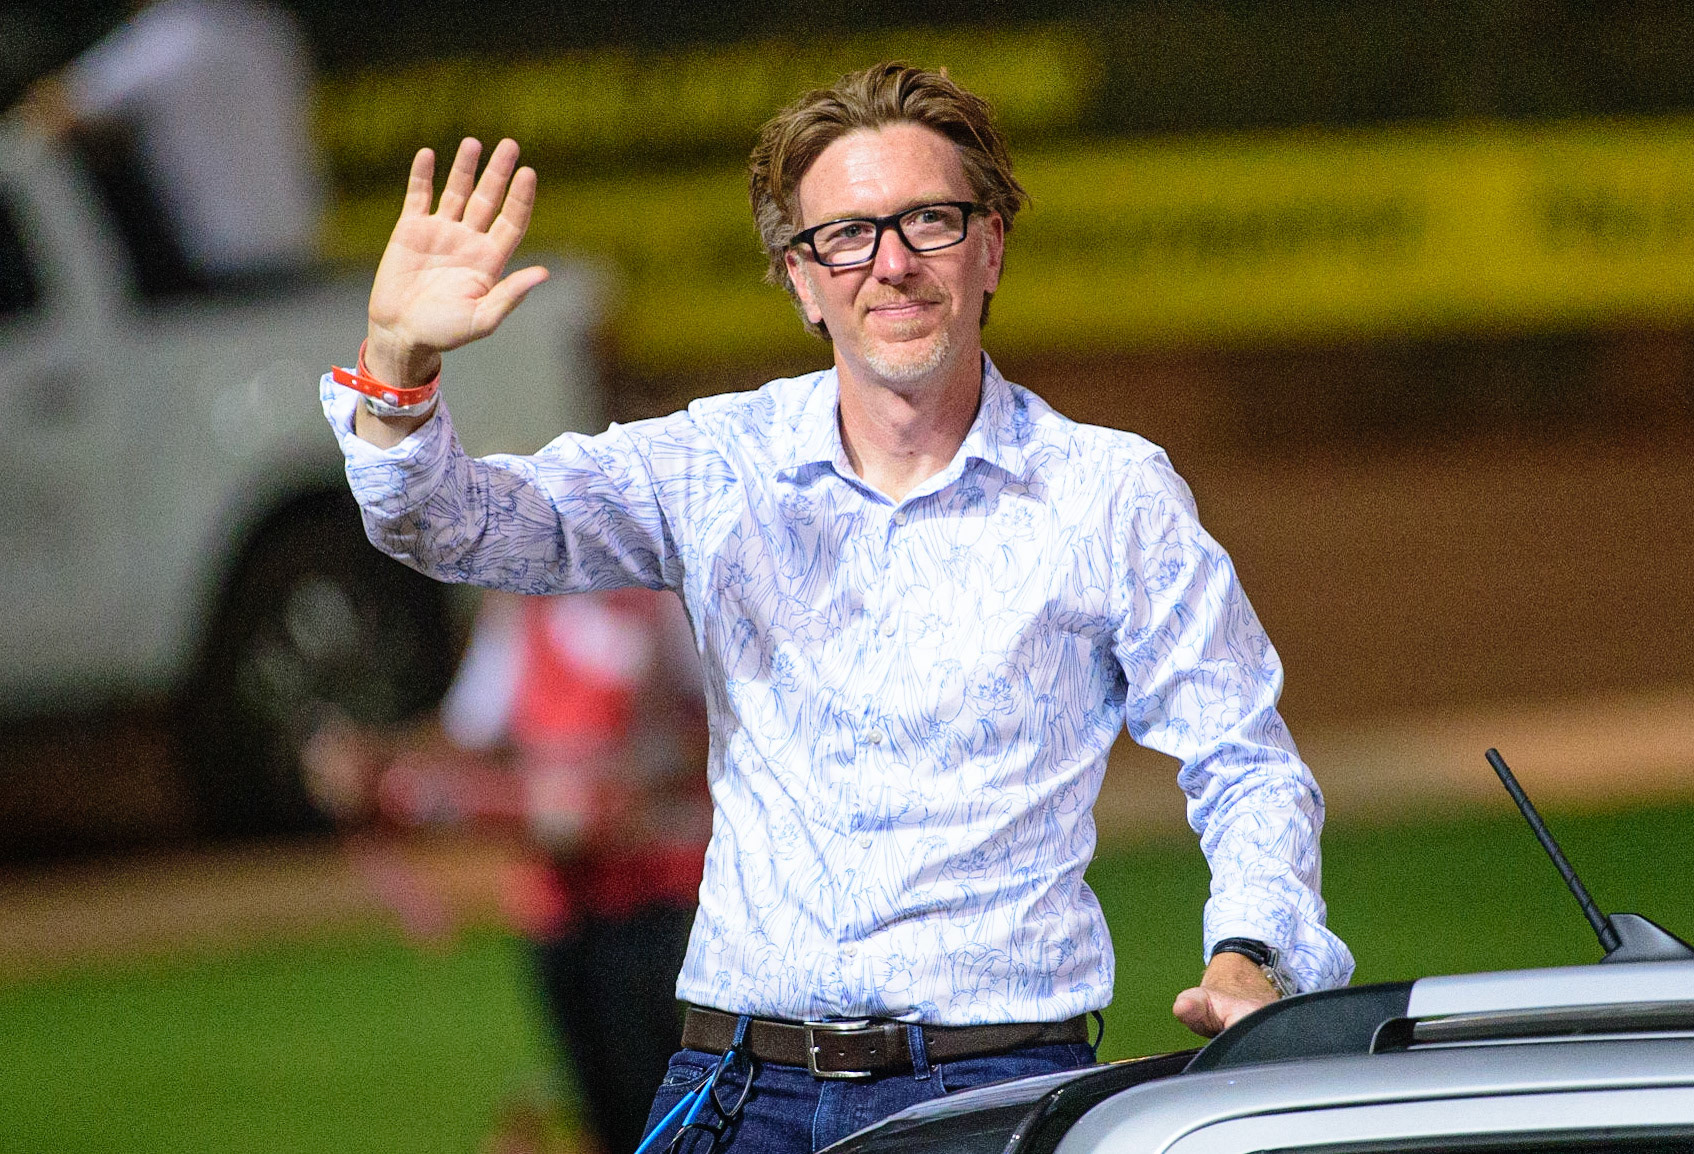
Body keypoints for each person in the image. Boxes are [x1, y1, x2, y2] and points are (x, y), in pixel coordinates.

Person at [319, 63, 1354, 1154]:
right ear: (801, 280)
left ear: (991, 245)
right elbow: (452, 524)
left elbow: (1246, 761)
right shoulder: (717, 464)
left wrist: (1256, 951)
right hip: (728, 1086)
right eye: (847, 235)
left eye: (929, 221)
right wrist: (399, 360)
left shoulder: (1109, 494)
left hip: (990, 1090)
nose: (892, 263)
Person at [303, 588, 710, 1154]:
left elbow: (722, 724)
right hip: (560, 906)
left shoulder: (658, 601)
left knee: (663, 1107)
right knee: (603, 1100)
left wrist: (625, 788)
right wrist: (375, 760)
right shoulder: (525, 612)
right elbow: (466, 735)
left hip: (654, 893)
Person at [13, 0, 320, 294]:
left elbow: (53, 109)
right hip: (295, 244)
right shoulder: (264, 27)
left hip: (218, 261)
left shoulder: (171, 34)